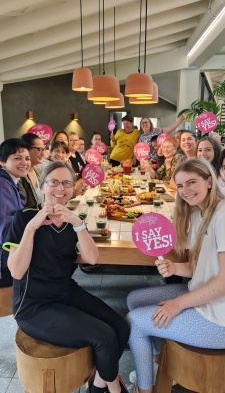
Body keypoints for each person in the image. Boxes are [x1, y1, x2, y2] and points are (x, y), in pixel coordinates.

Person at [3, 162, 130, 393]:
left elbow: (92, 259)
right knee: (105, 337)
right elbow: (16, 271)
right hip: (33, 305)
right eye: (53, 182)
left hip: (65, 291)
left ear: (74, 188)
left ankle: (98, 385)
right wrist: (32, 228)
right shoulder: (24, 218)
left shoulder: (74, 219)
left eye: (66, 183)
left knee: (121, 327)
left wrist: (79, 223)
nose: (60, 188)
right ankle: (113, 389)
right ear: (43, 187)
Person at [127, 158, 225, 393]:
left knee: (134, 323)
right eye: (180, 186)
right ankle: (162, 365)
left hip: (219, 319)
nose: (185, 191)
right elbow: (198, 266)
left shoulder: (223, 215)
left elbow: (223, 284)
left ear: (209, 181)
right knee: (134, 300)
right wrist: (174, 268)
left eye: (192, 182)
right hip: (204, 298)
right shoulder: (197, 214)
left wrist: (177, 305)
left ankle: (145, 390)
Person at [0, 138, 30, 287]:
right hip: (4, 261)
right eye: (17, 158)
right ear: (2, 162)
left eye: (27, 158)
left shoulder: (11, 182)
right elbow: (7, 227)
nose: (24, 162)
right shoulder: (3, 185)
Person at [19, 133, 45, 206]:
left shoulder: (39, 172)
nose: (43, 154)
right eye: (39, 149)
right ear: (26, 149)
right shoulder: (19, 177)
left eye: (43, 149)